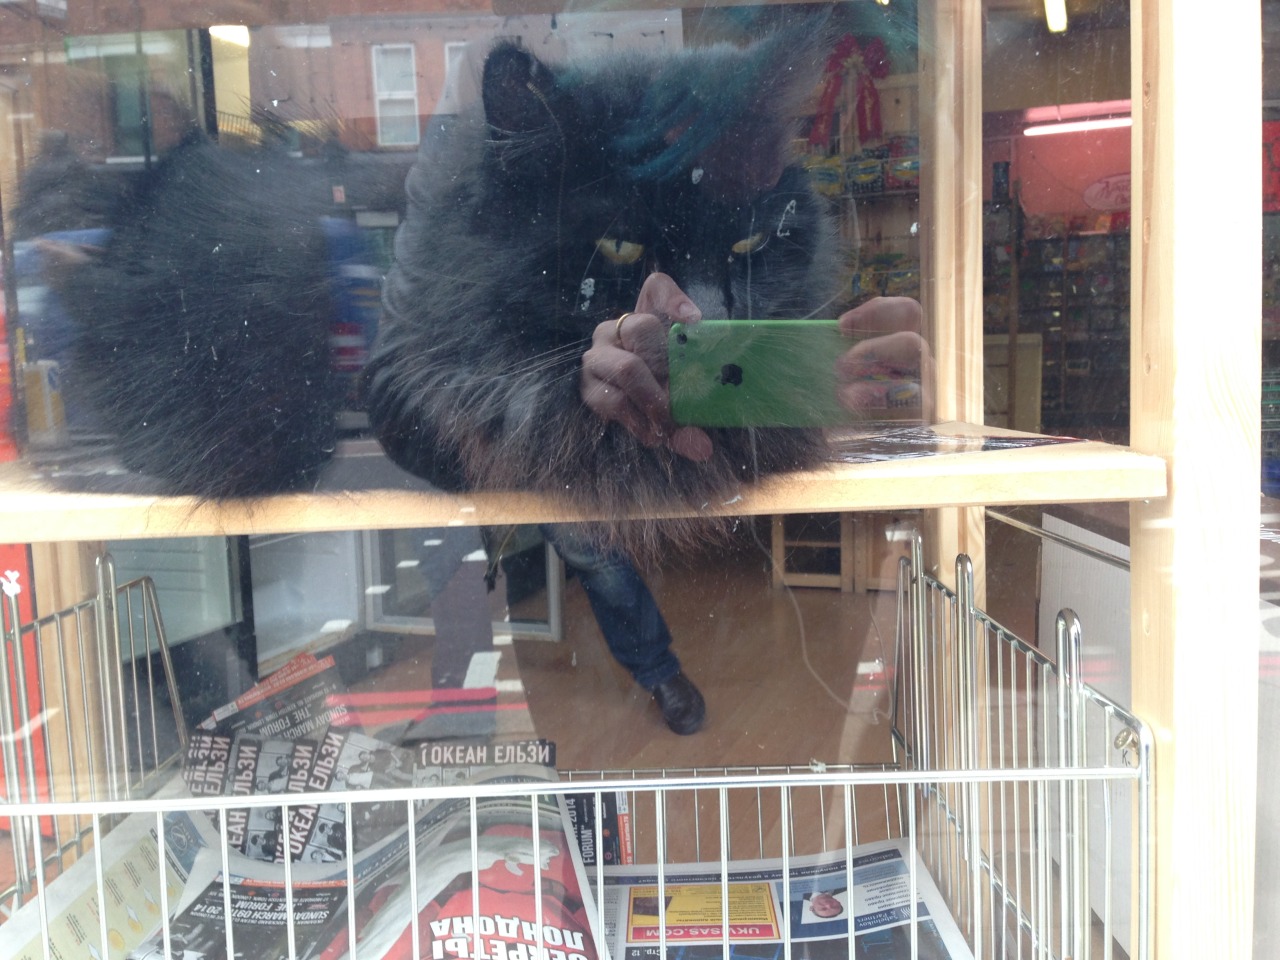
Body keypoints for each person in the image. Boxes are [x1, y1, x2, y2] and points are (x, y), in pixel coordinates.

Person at [578, 276, 930, 737]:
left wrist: (934, 386)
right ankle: (659, 672)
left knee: (588, 548)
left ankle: (657, 670)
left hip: (790, 464)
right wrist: (587, 374)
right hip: (597, 454)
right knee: (586, 544)